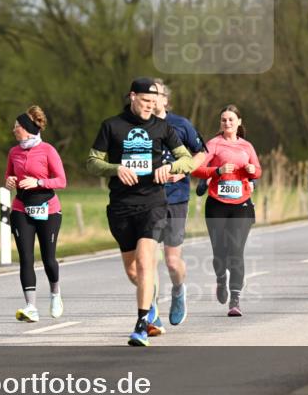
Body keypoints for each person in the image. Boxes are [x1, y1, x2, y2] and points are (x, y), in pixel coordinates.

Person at [86, 78, 195, 347]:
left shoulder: (162, 127)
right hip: (121, 206)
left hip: (154, 204)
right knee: (133, 271)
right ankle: (151, 309)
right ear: (132, 96)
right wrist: (115, 169)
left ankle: (141, 324)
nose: (150, 107)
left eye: (154, 102)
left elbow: (187, 159)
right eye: (146, 101)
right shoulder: (111, 126)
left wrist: (171, 169)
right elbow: (92, 162)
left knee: (147, 263)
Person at [192, 105, 262, 316]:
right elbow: (196, 169)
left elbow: (258, 170)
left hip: (241, 204)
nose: (227, 123)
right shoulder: (213, 144)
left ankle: (235, 300)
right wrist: (218, 170)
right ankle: (221, 277)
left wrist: (252, 170)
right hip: (217, 203)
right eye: (224, 120)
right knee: (219, 253)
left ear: (239, 122)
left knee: (236, 252)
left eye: (231, 120)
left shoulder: (247, 146)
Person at [151, 80, 207, 328]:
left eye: (157, 95)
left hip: (175, 197)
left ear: (165, 99)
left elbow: (201, 153)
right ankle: (150, 312)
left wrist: (183, 170)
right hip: (145, 200)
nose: (152, 100)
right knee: (147, 261)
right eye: (147, 95)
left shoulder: (181, 124)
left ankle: (178, 290)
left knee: (172, 262)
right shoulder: (136, 127)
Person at [5, 106, 68, 323]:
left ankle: (55, 293)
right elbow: (9, 177)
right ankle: (31, 306)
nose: (14, 130)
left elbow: (61, 181)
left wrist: (38, 182)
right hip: (21, 207)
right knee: (26, 259)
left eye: (17, 126)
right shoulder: (14, 152)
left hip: (48, 208)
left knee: (48, 258)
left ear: (28, 128)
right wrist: (10, 181)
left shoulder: (48, 150)